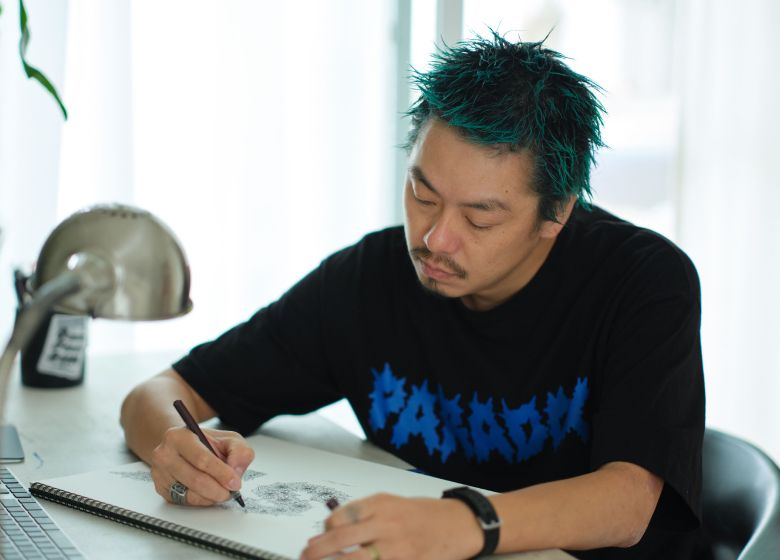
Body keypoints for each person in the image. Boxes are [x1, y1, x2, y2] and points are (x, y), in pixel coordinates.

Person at [120, 33, 706, 560]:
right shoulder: (369, 280)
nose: (434, 239)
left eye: (479, 218)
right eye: (423, 195)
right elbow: (161, 393)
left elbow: (628, 503)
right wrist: (176, 450)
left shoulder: (642, 280)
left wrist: (462, 523)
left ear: (557, 211)